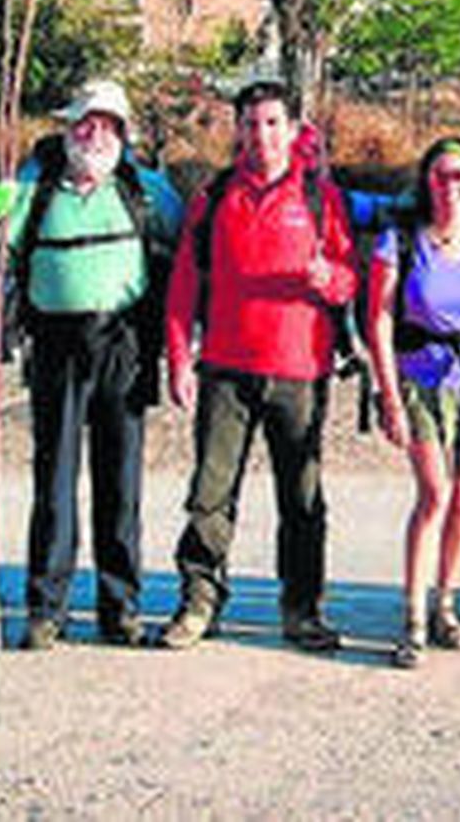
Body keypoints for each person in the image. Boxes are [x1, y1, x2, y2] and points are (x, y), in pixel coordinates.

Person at [0, 79, 183, 650]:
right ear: (68, 128)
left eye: (107, 124)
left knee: (121, 483)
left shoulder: (148, 191)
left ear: (123, 133)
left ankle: (120, 609)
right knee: (55, 481)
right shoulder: (32, 189)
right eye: (85, 122)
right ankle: (46, 610)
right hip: (55, 345)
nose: (95, 133)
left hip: (125, 344)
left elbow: (185, 252)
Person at [158, 79, 359, 652]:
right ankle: (200, 601)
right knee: (210, 494)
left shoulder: (320, 198)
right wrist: (179, 356)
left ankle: (302, 610)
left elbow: (350, 280)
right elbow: (185, 282)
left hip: (301, 370)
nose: (261, 135)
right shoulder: (215, 196)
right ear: (238, 130)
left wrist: (330, 279)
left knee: (302, 499)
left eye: (273, 123)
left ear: (293, 131)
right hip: (225, 368)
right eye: (250, 124)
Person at [365, 137, 460, 669]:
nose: (451, 186)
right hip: (420, 378)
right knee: (435, 492)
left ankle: (445, 605)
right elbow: (379, 320)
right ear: (426, 182)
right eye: (441, 175)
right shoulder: (399, 242)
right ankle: (413, 616)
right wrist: (389, 396)